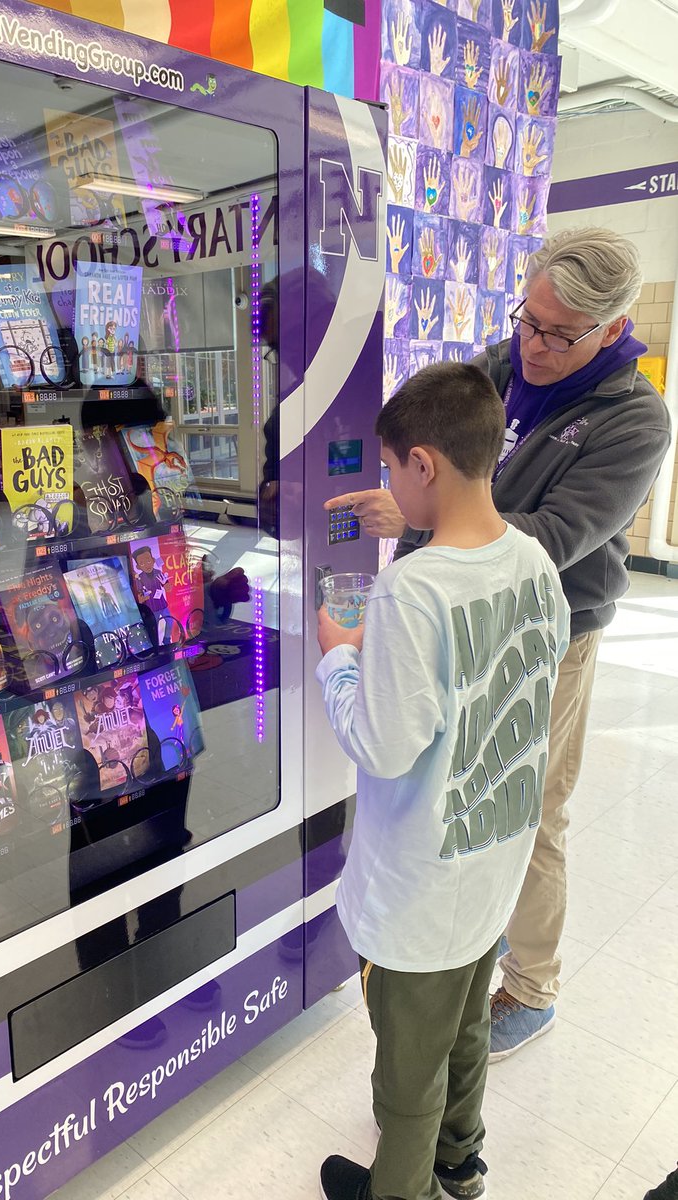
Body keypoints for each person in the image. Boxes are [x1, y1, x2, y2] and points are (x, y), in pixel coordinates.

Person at [326, 228, 671, 1059]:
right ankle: (451, 943)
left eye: (563, 334)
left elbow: (554, 535)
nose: (538, 345)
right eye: (531, 320)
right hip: (443, 604)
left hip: (548, 630)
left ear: (614, 329)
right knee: (441, 781)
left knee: (526, 802)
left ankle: (532, 982)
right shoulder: (503, 366)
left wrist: (429, 518)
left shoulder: (634, 421)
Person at [317, 361, 570, 1200]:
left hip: (419, 894)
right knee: (466, 1029)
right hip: (489, 864)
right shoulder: (534, 562)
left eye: (391, 469)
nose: (389, 485)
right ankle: (461, 1167)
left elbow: (384, 747)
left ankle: (405, 1187)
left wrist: (339, 660)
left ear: (422, 464)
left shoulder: (412, 589)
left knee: (407, 1080)